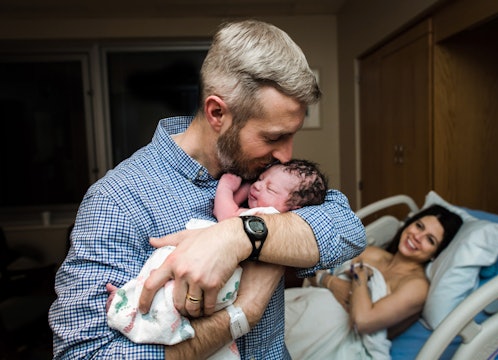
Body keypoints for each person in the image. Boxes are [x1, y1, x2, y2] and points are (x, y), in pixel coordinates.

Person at [49, 19, 365, 360]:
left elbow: (346, 228)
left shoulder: (263, 174)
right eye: (273, 137)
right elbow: (82, 354)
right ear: (217, 113)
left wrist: (239, 236)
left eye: (291, 135)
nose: (286, 155)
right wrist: (242, 314)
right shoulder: (117, 200)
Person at [105, 159, 328, 359]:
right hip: (229, 290)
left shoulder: (266, 218)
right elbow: (242, 205)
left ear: (293, 208)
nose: (258, 186)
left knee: (170, 283)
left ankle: (128, 309)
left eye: (270, 188)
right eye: (260, 179)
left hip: (224, 283)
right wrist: (249, 190)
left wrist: (226, 187)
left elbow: (226, 215)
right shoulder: (278, 216)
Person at [284, 205, 463, 360]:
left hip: (334, 335)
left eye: (430, 239)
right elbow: (312, 272)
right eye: (419, 226)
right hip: (305, 304)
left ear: (435, 254)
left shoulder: (417, 286)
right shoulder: (371, 253)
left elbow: (363, 321)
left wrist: (358, 278)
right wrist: (331, 282)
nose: (417, 236)